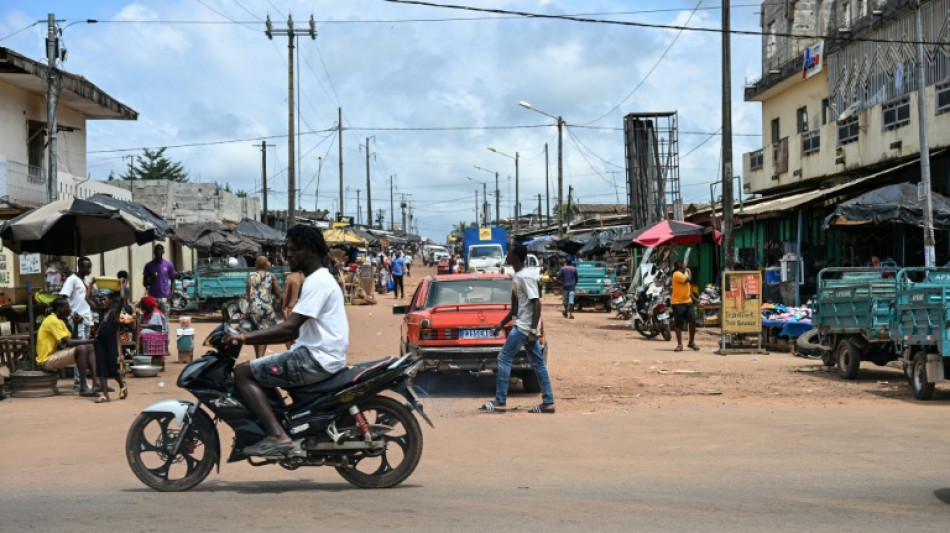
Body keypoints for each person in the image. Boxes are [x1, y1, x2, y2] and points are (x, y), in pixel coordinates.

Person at [223, 225, 349, 456]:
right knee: (262, 368)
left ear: (310, 251)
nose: (288, 255)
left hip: (314, 359)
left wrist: (243, 337)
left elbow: (289, 328)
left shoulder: (317, 281)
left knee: (243, 372)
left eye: (293, 250)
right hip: (317, 355)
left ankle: (277, 435)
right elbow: (291, 331)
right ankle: (283, 424)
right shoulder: (316, 279)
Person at [479, 243, 555, 414]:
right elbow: (515, 308)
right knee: (538, 364)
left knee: (504, 358)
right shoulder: (517, 276)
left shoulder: (525, 277)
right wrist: (501, 324)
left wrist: (533, 331)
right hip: (522, 325)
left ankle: (500, 401)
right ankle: (548, 402)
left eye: (510, 252)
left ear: (515, 257)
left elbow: (537, 304)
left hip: (523, 327)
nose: (507, 254)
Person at [36, 297, 97, 396]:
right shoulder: (52, 320)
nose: (70, 309)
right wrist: (92, 340)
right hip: (46, 361)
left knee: (89, 347)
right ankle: (83, 386)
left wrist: (76, 324)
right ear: (60, 309)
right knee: (82, 348)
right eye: (67, 307)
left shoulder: (59, 321)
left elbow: (73, 340)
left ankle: (96, 383)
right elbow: (69, 343)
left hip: (53, 356)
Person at [60, 256, 96, 389]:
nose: (89, 269)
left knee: (85, 350)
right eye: (87, 267)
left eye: (90, 266)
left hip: (86, 318)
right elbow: (64, 297)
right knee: (80, 349)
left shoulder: (85, 281)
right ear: (80, 266)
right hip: (77, 320)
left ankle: (81, 379)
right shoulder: (72, 280)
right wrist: (72, 314)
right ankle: (79, 381)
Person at [92, 285, 128, 403]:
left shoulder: (115, 312)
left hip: (111, 344)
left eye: (104, 299)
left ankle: (122, 385)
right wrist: (91, 285)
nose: (102, 302)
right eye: (100, 300)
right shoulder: (100, 312)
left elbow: (122, 298)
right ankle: (105, 395)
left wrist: (121, 284)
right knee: (102, 368)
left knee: (112, 369)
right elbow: (88, 299)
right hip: (100, 343)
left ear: (110, 300)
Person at [246, 256, 281, 359]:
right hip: (266, 307)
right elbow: (278, 292)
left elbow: (247, 293)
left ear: (256, 264)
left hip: (254, 308)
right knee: (264, 333)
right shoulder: (271, 276)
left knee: (255, 332)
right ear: (266, 264)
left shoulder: (251, 276)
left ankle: (258, 356)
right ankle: (261, 357)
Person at [671, 260, 700, 352]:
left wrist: (695, 300)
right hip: (678, 303)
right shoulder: (676, 274)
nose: (685, 267)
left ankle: (691, 342)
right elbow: (688, 279)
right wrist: (688, 271)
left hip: (688, 302)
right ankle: (680, 345)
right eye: (684, 266)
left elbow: (688, 290)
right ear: (680, 267)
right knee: (678, 324)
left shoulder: (683, 275)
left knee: (692, 321)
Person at [142, 244, 176, 314]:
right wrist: (151, 278)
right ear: (154, 252)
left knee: (164, 319)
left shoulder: (169, 265)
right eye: (157, 250)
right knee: (153, 319)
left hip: (164, 297)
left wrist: (171, 294)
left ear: (163, 252)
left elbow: (173, 280)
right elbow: (144, 283)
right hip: (153, 297)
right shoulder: (148, 265)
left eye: (160, 250)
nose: (158, 252)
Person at [282, 268, 305, 349]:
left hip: (291, 309)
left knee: (288, 335)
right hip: (302, 309)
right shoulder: (306, 277)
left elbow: (285, 295)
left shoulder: (290, 278)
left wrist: (284, 308)